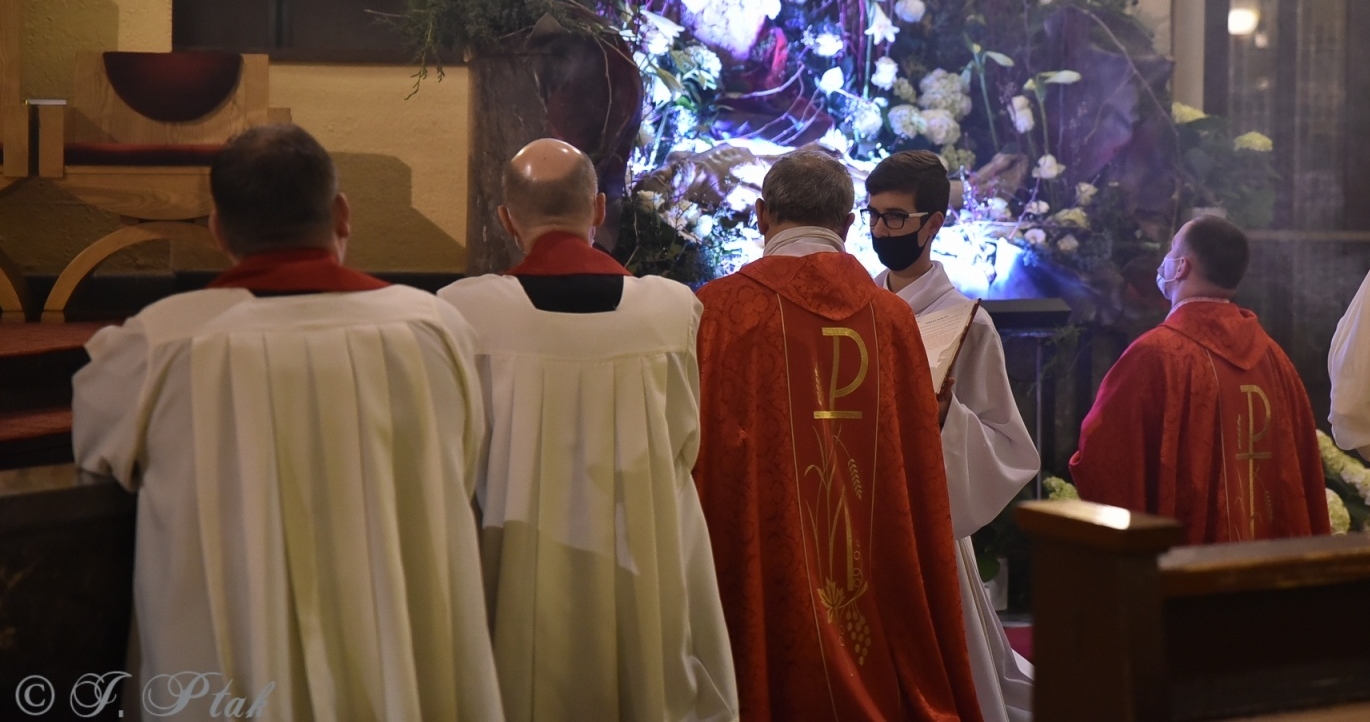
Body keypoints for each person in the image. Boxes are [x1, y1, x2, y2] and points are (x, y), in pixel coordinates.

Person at [73, 124, 503, 720]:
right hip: (396, 649)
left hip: (236, 662)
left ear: (217, 230)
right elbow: (462, 466)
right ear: (343, 214)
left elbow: (94, 451)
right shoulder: (434, 329)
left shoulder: (159, 345)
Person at [438, 138, 737, 722]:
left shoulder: (464, 312)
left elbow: (453, 455)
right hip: (642, 553)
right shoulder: (670, 310)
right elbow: (686, 442)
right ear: (599, 209)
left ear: (505, 219)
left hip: (513, 563)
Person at [694, 149, 984, 722]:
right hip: (868, 569)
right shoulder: (892, 318)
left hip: (763, 565)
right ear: (849, 225)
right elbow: (917, 474)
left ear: (760, 215)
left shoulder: (718, 310)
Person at [865, 150, 1038, 722]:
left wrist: (944, 419)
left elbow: (1009, 446)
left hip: (923, 517)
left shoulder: (968, 323)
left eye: (895, 218)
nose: (880, 230)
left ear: (933, 223)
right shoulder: (853, 309)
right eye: (873, 215)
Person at [1069, 216, 1330, 544]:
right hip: (1268, 572)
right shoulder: (1274, 358)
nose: (1165, 259)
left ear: (1181, 267)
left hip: (1190, 573)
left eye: (1171, 250)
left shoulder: (1156, 354)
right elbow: (1302, 470)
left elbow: (1102, 459)